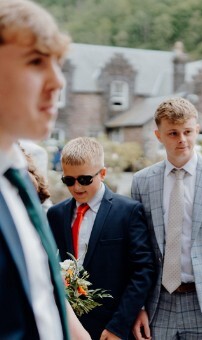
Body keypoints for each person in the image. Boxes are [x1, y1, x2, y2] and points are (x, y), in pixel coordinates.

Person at [0, 1, 91, 339]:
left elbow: (42, 302)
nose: (58, 81)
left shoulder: (19, 178)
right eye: (36, 61)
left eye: (58, 64)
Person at [131, 97, 202, 339]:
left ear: (197, 130)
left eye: (188, 132)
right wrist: (137, 306)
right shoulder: (143, 181)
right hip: (158, 304)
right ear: (158, 135)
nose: (182, 139)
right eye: (173, 133)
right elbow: (137, 247)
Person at [47, 137, 155, 339]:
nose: (77, 187)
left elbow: (143, 270)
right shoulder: (56, 214)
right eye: (69, 180)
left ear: (103, 173)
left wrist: (119, 325)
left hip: (111, 326)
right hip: (68, 325)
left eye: (85, 179)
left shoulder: (127, 211)